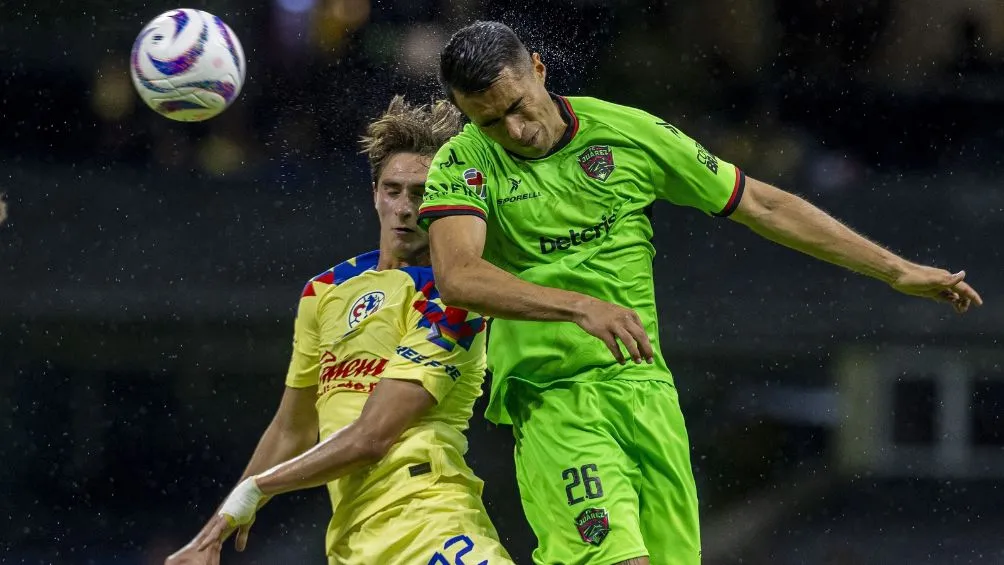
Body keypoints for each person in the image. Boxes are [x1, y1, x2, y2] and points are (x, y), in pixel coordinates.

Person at [418, 20, 984, 565]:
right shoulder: (464, 162)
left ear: (538, 70)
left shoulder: (627, 134)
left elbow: (761, 204)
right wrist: (579, 305)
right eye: (490, 122)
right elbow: (459, 275)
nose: (514, 132)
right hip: (554, 398)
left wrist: (895, 270)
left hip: (647, 389)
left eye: (517, 107)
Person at [166, 96, 514, 565]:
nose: (406, 209)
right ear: (374, 193)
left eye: (423, 193)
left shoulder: (454, 298)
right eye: (393, 190)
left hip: (432, 524)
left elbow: (372, 438)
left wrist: (259, 487)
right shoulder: (325, 290)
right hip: (353, 542)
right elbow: (293, 429)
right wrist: (213, 532)